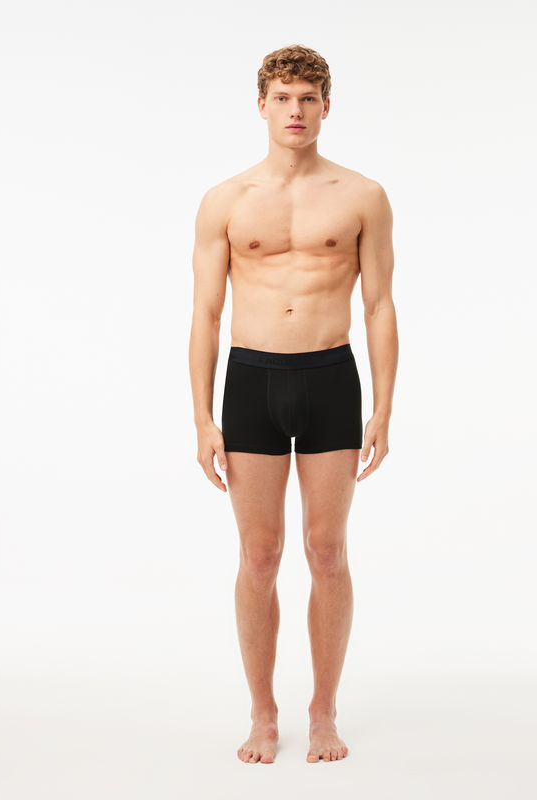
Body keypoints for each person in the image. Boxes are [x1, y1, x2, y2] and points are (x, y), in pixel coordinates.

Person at [188, 43, 398, 764]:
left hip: (331, 378)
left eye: (307, 98)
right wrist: (202, 417)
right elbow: (205, 312)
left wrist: (384, 407)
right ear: (262, 106)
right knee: (260, 554)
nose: (295, 111)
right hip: (250, 381)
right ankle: (262, 713)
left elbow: (379, 306)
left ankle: (323, 710)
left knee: (327, 551)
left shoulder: (362, 196)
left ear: (326, 106)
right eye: (282, 98)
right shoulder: (225, 200)